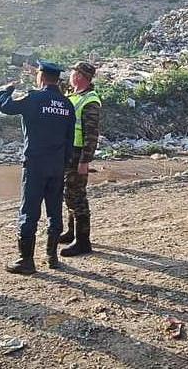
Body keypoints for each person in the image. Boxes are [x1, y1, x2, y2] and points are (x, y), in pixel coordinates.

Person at [0, 61, 75, 275]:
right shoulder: (67, 104)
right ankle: (52, 257)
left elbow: (5, 107)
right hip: (57, 166)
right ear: (57, 79)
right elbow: (70, 140)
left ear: (41, 77)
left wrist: (6, 90)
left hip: (35, 165)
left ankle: (26, 260)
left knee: (29, 212)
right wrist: (65, 163)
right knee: (54, 211)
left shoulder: (34, 98)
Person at [60, 62, 102, 257]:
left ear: (80, 76)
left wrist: (85, 161)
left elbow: (91, 135)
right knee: (69, 193)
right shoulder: (74, 95)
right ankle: (71, 232)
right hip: (69, 153)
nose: (70, 75)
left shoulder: (90, 101)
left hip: (78, 155)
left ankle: (83, 241)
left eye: (73, 72)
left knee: (77, 196)